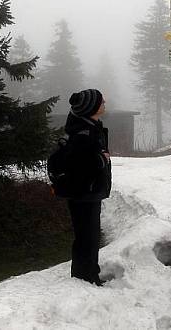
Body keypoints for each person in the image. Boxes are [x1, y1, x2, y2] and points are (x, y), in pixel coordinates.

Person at [64, 89, 112, 285]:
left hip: (89, 191)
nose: (104, 103)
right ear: (91, 107)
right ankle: (85, 278)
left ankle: (89, 273)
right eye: (101, 102)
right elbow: (79, 165)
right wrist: (100, 160)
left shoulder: (89, 126)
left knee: (90, 235)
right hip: (84, 192)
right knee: (87, 237)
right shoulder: (83, 133)